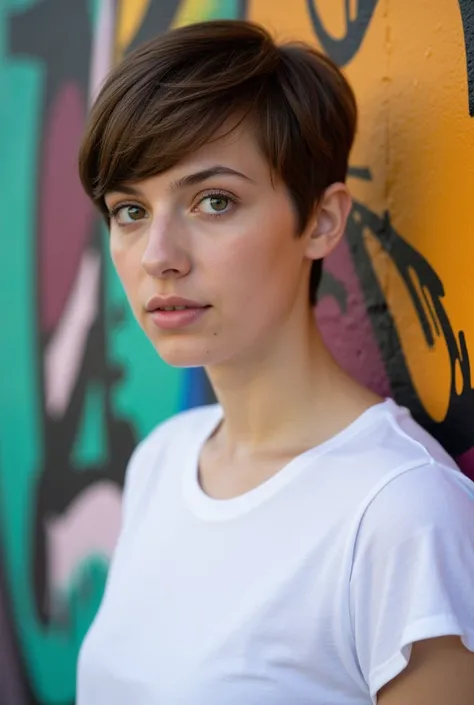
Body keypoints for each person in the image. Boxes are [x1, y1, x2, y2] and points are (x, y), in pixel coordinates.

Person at [76, 19, 474, 705]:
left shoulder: (401, 513)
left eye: (214, 200)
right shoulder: (161, 462)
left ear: (321, 222)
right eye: (130, 210)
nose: (158, 255)